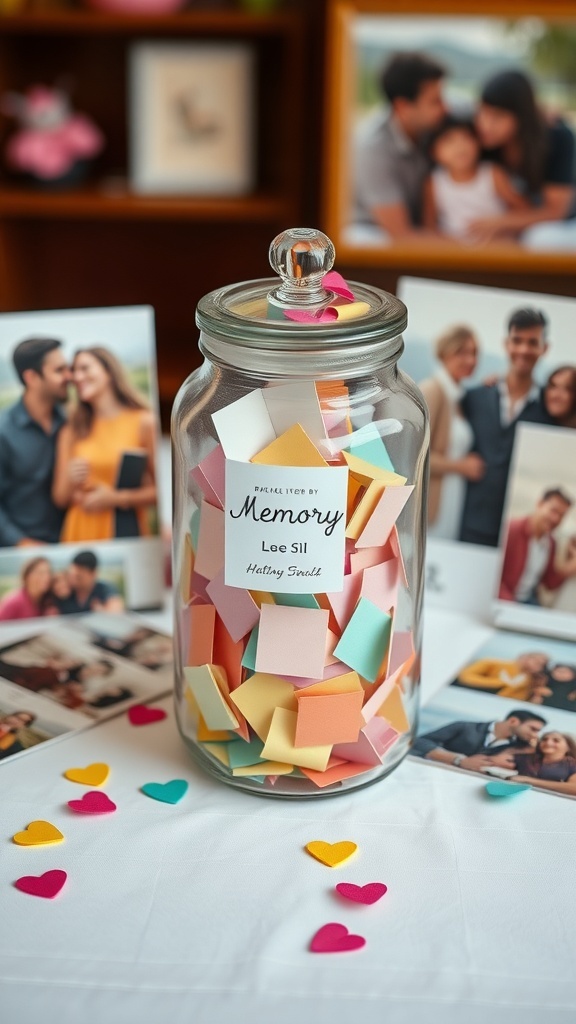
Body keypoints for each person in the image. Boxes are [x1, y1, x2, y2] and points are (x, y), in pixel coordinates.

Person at [459, 307, 551, 547]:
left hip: (519, 535)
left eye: (532, 342)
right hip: (468, 527)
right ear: (506, 343)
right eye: (517, 340)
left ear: (544, 348)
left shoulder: (549, 410)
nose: (523, 349)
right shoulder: (474, 398)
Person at [52, 346, 157, 542]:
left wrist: (116, 498)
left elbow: (164, 491)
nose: (77, 377)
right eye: (74, 371)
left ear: (108, 371)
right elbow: (60, 498)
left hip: (126, 530)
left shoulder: (144, 422)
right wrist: (70, 477)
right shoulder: (71, 430)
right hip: (79, 531)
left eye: (85, 368)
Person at [473, 69, 576, 249]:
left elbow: (556, 211)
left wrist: (501, 223)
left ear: (522, 116)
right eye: (482, 111)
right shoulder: (480, 139)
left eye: (498, 116)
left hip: (564, 225)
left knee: (539, 240)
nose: (485, 124)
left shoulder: (557, 138)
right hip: (514, 223)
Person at [353, 51, 446, 241]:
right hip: (376, 232)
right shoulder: (373, 149)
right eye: (435, 101)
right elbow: (401, 235)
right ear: (403, 106)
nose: (446, 108)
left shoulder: (436, 125)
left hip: (425, 230)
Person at [0, 337, 71, 547]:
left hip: (71, 543)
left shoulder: (71, 423)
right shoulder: (4, 431)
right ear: (31, 377)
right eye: (59, 371)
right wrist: (22, 543)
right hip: (21, 550)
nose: (69, 376)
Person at [418, 324, 484, 539]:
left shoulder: (457, 397)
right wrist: (461, 466)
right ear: (445, 353)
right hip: (432, 505)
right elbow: (415, 455)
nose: (470, 360)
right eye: (462, 352)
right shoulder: (432, 390)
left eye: (474, 353)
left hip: (451, 501)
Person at [422, 113, 528, 242]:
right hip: (453, 250)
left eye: (466, 138)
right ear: (434, 152)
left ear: (478, 142)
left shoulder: (492, 174)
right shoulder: (434, 182)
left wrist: (501, 226)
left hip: (496, 245)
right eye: (449, 141)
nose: (460, 147)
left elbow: (522, 209)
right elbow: (430, 227)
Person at [498, 488, 576, 604]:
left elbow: (549, 583)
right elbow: (493, 577)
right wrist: (510, 605)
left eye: (561, 516)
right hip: (507, 600)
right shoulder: (511, 530)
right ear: (539, 504)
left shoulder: (550, 542)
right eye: (553, 511)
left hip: (529, 600)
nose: (556, 519)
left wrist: (570, 566)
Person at [413, 709, 546, 771]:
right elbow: (418, 742)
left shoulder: (517, 747)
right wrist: (459, 760)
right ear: (513, 721)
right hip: (431, 771)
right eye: (533, 729)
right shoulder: (464, 726)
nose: (535, 734)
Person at [454, 650, 549, 701]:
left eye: (542, 665)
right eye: (536, 661)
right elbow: (465, 676)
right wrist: (499, 683)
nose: (538, 665)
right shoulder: (491, 662)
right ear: (524, 657)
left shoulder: (529, 681)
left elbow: (519, 698)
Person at [51, 550, 124, 614]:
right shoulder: (67, 591)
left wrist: (102, 612)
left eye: (79, 577)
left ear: (93, 574)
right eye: (72, 575)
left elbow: (116, 611)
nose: (74, 580)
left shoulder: (104, 590)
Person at [0, 556, 54, 621]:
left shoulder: (47, 600)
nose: (46, 577)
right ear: (27, 576)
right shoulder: (14, 602)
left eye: (48, 573)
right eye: (40, 573)